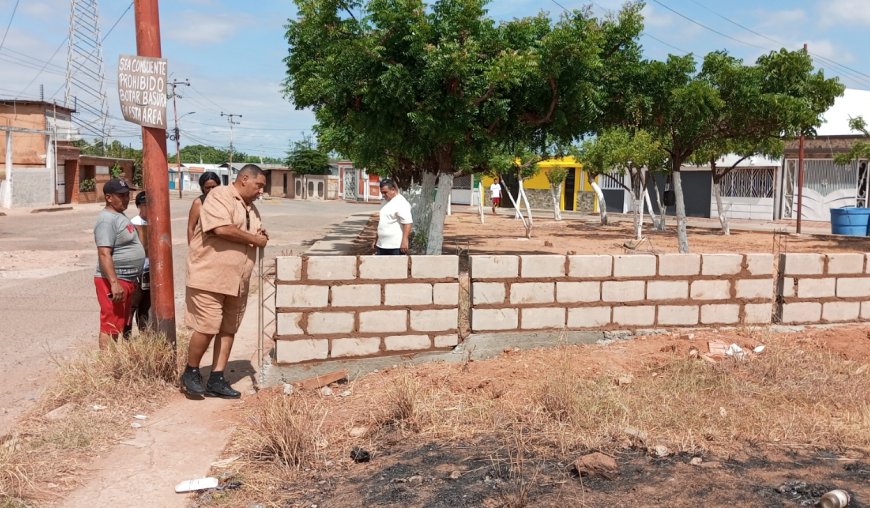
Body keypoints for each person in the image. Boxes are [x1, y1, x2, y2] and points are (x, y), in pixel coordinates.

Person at [181, 165, 269, 398]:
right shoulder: (219, 195)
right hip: (209, 277)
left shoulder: (251, 208)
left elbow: (254, 234)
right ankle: (191, 372)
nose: (261, 191)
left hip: (237, 281)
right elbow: (220, 228)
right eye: (258, 185)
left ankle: (217, 378)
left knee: (229, 328)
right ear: (244, 179)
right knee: (207, 326)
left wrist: (260, 236)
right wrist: (254, 239)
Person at [93, 178, 145, 350]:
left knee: (118, 323)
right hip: (114, 279)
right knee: (110, 325)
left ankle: (114, 359)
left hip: (126, 279)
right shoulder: (106, 220)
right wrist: (114, 283)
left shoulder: (118, 215)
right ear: (108, 197)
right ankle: (107, 362)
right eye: (121, 196)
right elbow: (104, 253)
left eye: (127, 195)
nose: (126, 199)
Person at [124, 191, 151, 337]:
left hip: (150, 270)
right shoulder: (134, 223)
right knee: (132, 306)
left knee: (145, 308)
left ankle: (145, 336)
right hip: (138, 271)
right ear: (139, 206)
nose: (147, 208)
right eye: (144, 205)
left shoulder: (156, 221)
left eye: (149, 204)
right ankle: (126, 337)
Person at [373, 179, 412, 255]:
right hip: (382, 245)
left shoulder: (401, 203)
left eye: (385, 192)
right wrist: (376, 239)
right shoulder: (385, 201)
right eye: (382, 192)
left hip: (395, 246)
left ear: (393, 190)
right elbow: (382, 222)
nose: (383, 195)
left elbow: (407, 223)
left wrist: (404, 241)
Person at [187, 171, 222, 244]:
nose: (211, 190)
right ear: (202, 188)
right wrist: (191, 247)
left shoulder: (223, 200)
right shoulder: (198, 203)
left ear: (219, 185)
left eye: (213, 187)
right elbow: (191, 228)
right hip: (203, 245)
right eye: (207, 188)